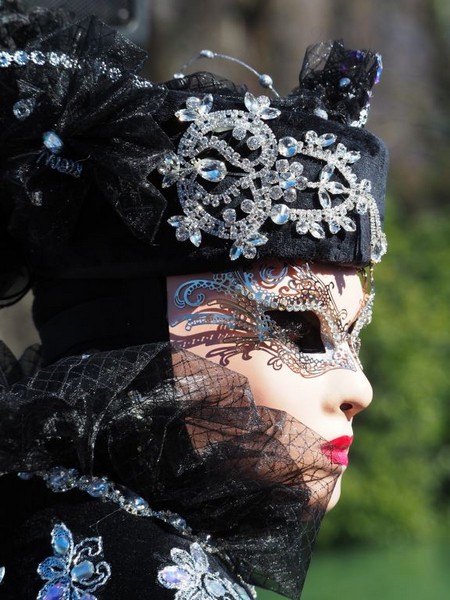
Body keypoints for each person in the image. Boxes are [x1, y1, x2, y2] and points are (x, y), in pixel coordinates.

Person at [0, 2, 388, 598]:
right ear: (135, 339)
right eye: (293, 326)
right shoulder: (139, 568)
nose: (358, 388)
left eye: (350, 335)